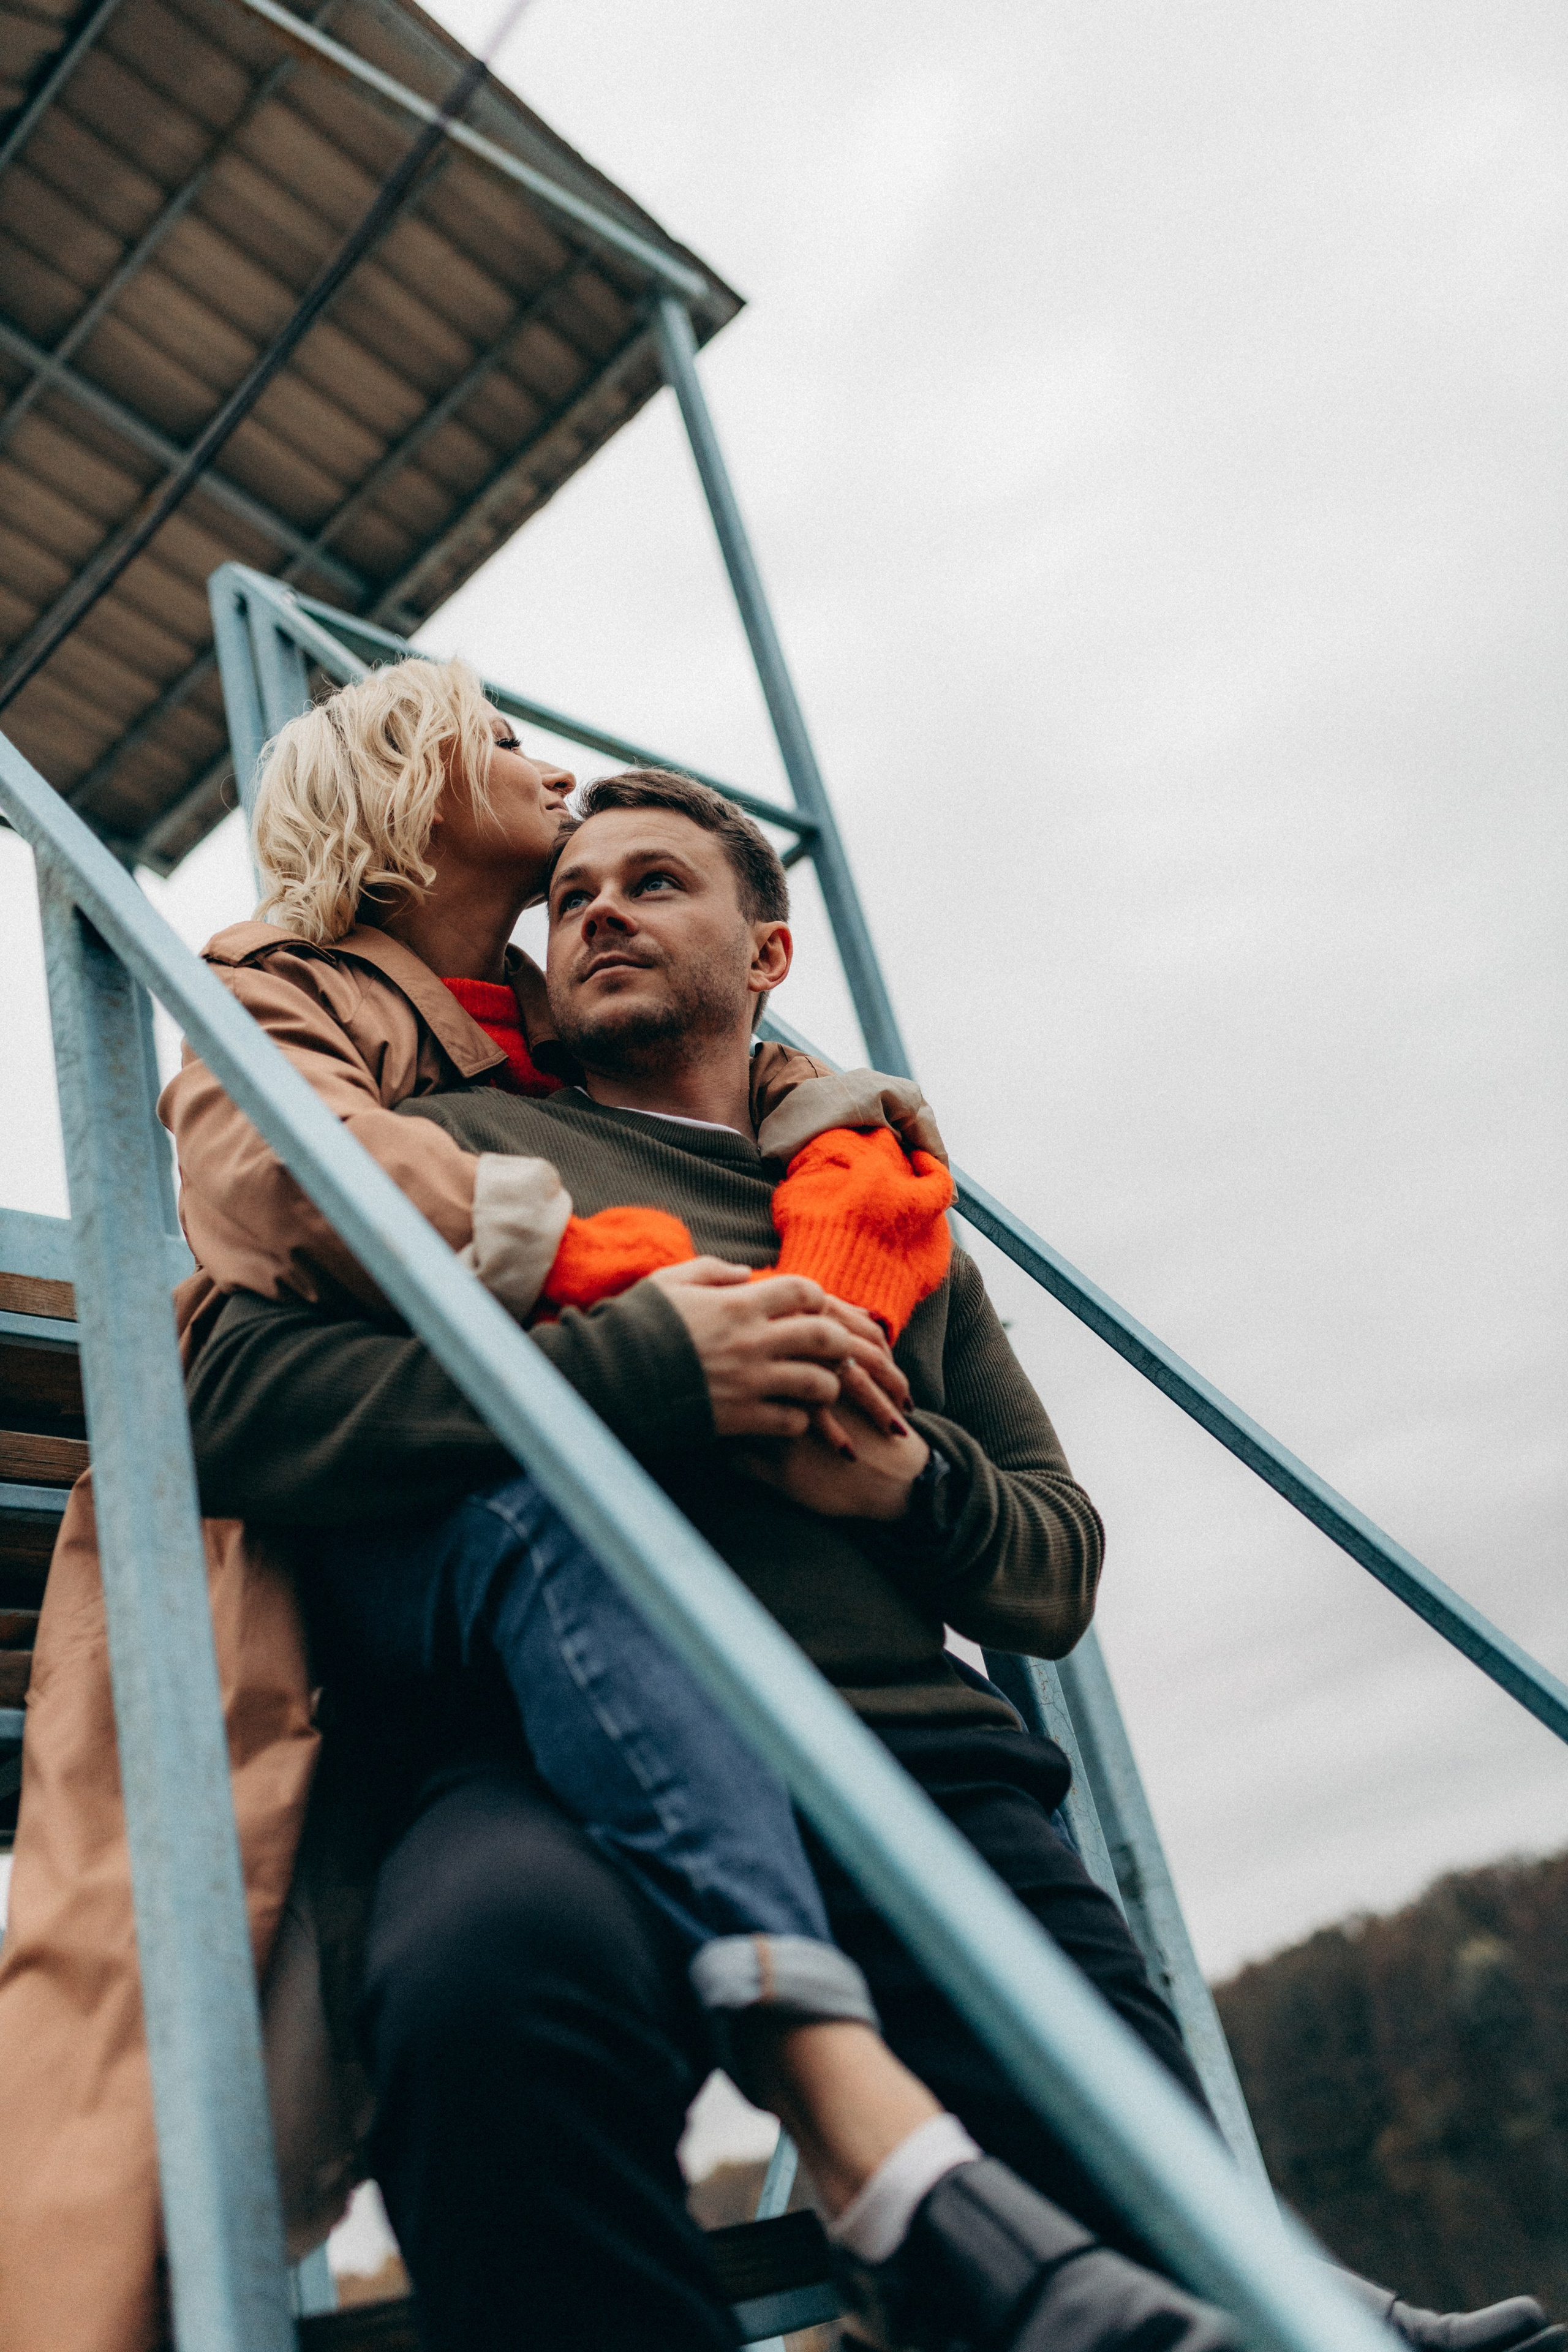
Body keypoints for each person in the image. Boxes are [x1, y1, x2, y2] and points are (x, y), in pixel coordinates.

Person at [178, 763, 1562, 2352]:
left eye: (653, 882)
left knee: (1136, 2178)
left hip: (909, 1758)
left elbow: (1054, 1565)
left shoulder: (882, 1205)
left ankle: (1281, 2309)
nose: (600, 912)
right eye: (572, 898)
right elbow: (239, 1404)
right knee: (481, 1994)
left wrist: (906, 1482)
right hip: (542, 1765)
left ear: (768, 953)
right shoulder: (466, 1159)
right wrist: (649, 1370)